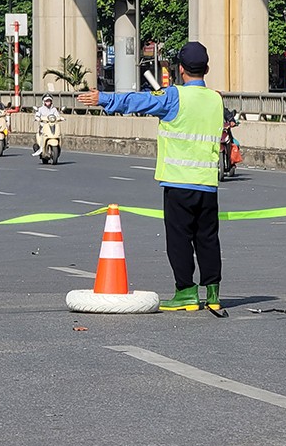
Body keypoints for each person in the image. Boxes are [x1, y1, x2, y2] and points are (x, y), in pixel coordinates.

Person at [77, 41, 224, 312]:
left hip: (178, 182)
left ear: (181, 70)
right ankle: (213, 293)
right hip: (208, 184)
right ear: (207, 68)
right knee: (208, 238)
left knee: (179, 239)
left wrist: (104, 99)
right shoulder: (216, 98)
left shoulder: (173, 96)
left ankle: (186, 293)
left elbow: (139, 101)